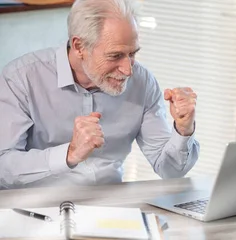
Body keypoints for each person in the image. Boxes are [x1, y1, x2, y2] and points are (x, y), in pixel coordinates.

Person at [0, 0, 200, 189]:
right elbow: (4, 168)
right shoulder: (20, 79)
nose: (128, 70)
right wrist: (69, 153)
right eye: (115, 56)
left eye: (132, 54)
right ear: (79, 46)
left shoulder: (142, 82)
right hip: (38, 210)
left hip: (111, 210)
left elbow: (170, 170)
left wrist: (183, 130)